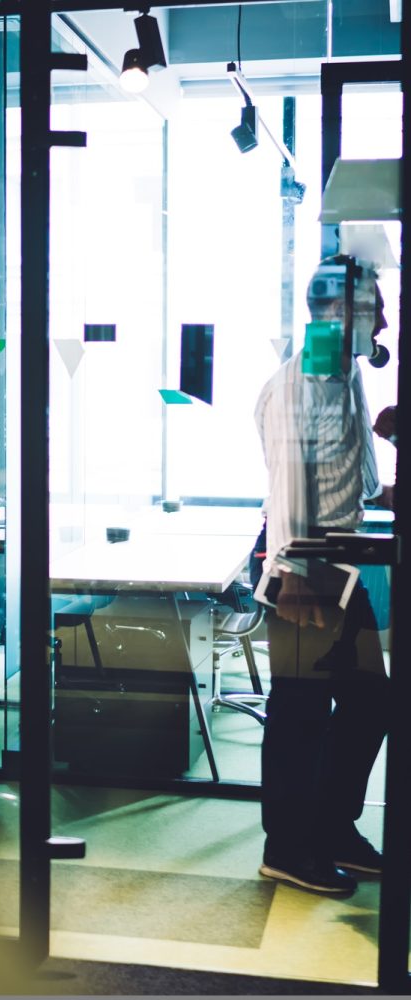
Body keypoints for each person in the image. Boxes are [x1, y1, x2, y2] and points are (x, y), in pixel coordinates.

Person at [253, 255, 393, 895]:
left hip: (344, 566)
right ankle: (287, 847)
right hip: (306, 572)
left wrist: (380, 486)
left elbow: (351, 472)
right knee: (301, 713)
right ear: (342, 313)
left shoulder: (343, 373)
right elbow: (289, 491)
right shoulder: (300, 383)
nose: (386, 321)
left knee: (369, 704)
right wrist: (297, 578)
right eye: (376, 308)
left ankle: (333, 827)